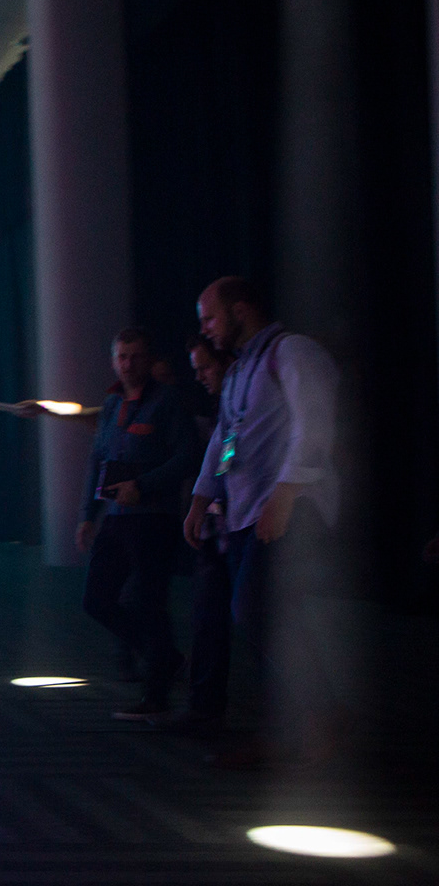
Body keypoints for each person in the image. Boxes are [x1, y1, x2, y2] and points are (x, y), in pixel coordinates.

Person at [181, 276, 340, 768]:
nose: (205, 328)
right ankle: (297, 728)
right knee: (264, 618)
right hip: (249, 514)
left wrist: (286, 495)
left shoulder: (294, 351)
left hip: (292, 509)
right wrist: (201, 496)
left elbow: (316, 424)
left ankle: (320, 725)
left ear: (242, 310)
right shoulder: (239, 370)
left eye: (210, 317)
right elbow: (224, 439)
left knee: (256, 610)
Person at [81, 329, 201, 720]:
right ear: (114, 361)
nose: (128, 364)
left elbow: (189, 458)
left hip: (153, 518)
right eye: (122, 357)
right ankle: (163, 658)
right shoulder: (112, 402)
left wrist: (144, 486)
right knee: (96, 599)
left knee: (150, 604)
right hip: (116, 517)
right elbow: (97, 461)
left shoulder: (167, 402)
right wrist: (87, 515)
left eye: (135, 356)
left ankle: (157, 696)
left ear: (148, 360)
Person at [151, 334, 236, 735]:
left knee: (237, 616)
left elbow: (228, 454)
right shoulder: (227, 399)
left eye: (205, 367)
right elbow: (225, 454)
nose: (198, 376)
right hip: (224, 522)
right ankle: (204, 707)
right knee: (207, 617)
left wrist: (209, 499)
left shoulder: (241, 395)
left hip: (245, 522)